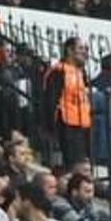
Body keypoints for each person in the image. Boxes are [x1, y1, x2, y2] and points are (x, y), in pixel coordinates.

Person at [44, 36, 92, 165]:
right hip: (67, 124)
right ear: (69, 50)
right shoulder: (58, 71)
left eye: (85, 49)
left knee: (84, 163)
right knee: (73, 164)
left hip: (83, 123)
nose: (85, 52)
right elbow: (50, 100)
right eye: (81, 48)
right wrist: (51, 126)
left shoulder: (80, 72)